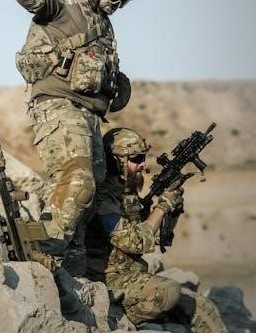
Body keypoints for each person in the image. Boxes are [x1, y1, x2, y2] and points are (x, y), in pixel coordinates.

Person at [10, 0, 137, 281]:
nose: (116, 5)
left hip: (89, 119)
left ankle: (71, 280)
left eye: (122, 2)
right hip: (58, 108)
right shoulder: (64, 4)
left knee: (84, 201)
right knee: (78, 181)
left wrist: (116, 86)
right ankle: (38, 256)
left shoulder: (106, 28)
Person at [85, 127, 227, 332]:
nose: (143, 164)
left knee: (202, 307)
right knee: (169, 291)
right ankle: (125, 317)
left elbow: (158, 237)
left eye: (144, 157)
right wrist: (162, 207)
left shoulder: (126, 192)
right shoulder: (103, 199)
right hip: (110, 282)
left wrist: (173, 211)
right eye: (136, 159)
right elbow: (135, 242)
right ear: (116, 161)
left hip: (134, 275)